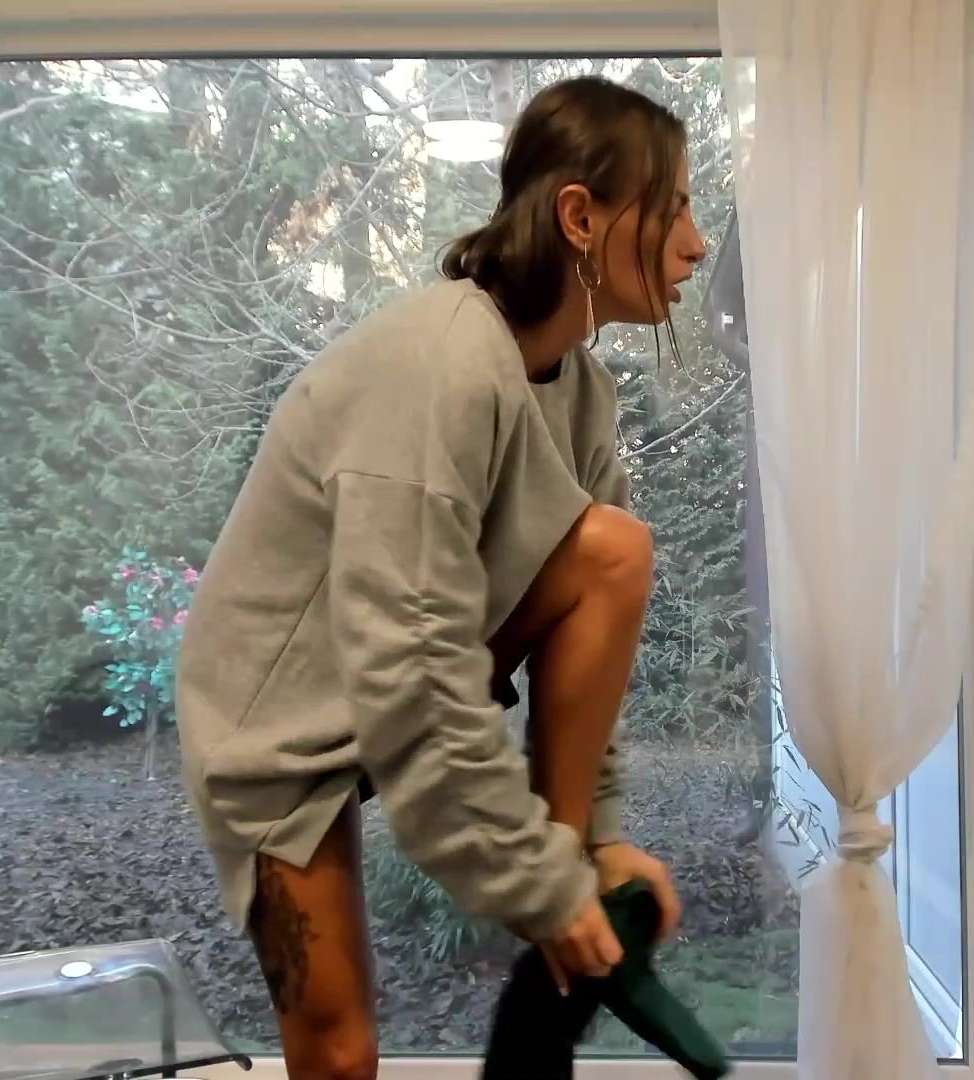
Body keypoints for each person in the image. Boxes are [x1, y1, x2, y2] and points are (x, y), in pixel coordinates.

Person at [175, 75, 708, 1080]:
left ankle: (565, 897)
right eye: (672, 208)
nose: (696, 243)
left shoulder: (583, 394)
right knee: (340, 1056)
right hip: (274, 727)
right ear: (581, 217)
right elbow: (413, 676)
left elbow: (581, 637)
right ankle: (557, 896)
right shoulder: (441, 367)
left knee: (613, 548)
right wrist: (536, 890)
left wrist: (592, 842)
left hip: (402, 662)